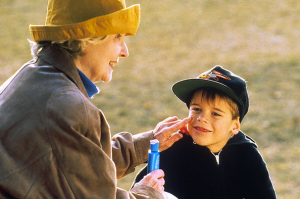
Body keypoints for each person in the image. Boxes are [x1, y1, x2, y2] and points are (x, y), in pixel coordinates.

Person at [0, 0, 190, 198]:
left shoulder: (31, 76)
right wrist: (148, 193)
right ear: (88, 38)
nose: (125, 51)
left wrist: (146, 144)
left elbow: (78, 166)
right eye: (117, 37)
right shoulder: (68, 105)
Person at [134, 65, 277, 199]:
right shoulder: (174, 150)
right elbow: (141, 189)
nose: (202, 118)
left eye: (215, 114)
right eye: (196, 109)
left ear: (235, 125)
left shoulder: (247, 157)